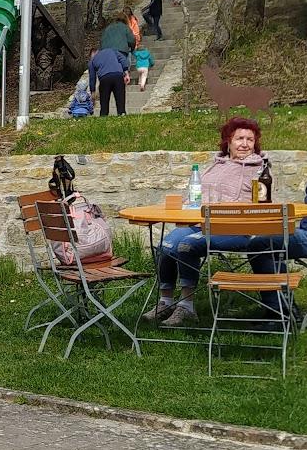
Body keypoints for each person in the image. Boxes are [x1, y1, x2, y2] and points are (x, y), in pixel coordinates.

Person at [145, 117, 273, 328]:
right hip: (201, 223)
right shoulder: (214, 166)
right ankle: (166, 301)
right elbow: (195, 196)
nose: (244, 143)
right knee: (166, 245)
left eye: (250, 139)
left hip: (234, 229)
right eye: (239, 138)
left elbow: (262, 205)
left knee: (187, 246)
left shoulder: (259, 170)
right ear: (228, 141)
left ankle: (186, 307)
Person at [87, 47, 130, 117]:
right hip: (118, 76)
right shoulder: (111, 50)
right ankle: (122, 114)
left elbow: (92, 77)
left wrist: (93, 91)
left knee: (104, 101)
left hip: (104, 79)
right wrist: (126, 73)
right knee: (120, 99)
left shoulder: (92, 61)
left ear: (92, 54)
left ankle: (104, 116)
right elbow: (123, 59)